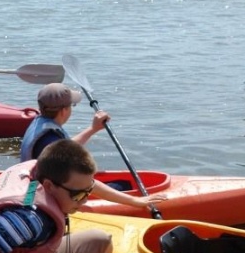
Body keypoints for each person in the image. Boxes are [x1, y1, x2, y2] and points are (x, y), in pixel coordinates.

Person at [20, 83, 167, 210]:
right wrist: (135, 201)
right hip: (49, 197)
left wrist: (93, 129)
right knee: (124, 186)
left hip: (38, 188)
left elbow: (64, 148)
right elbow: (88, 183)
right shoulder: (49, 138)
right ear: (64, 110)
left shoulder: (41, 125)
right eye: (71, 106)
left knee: (120, 184)